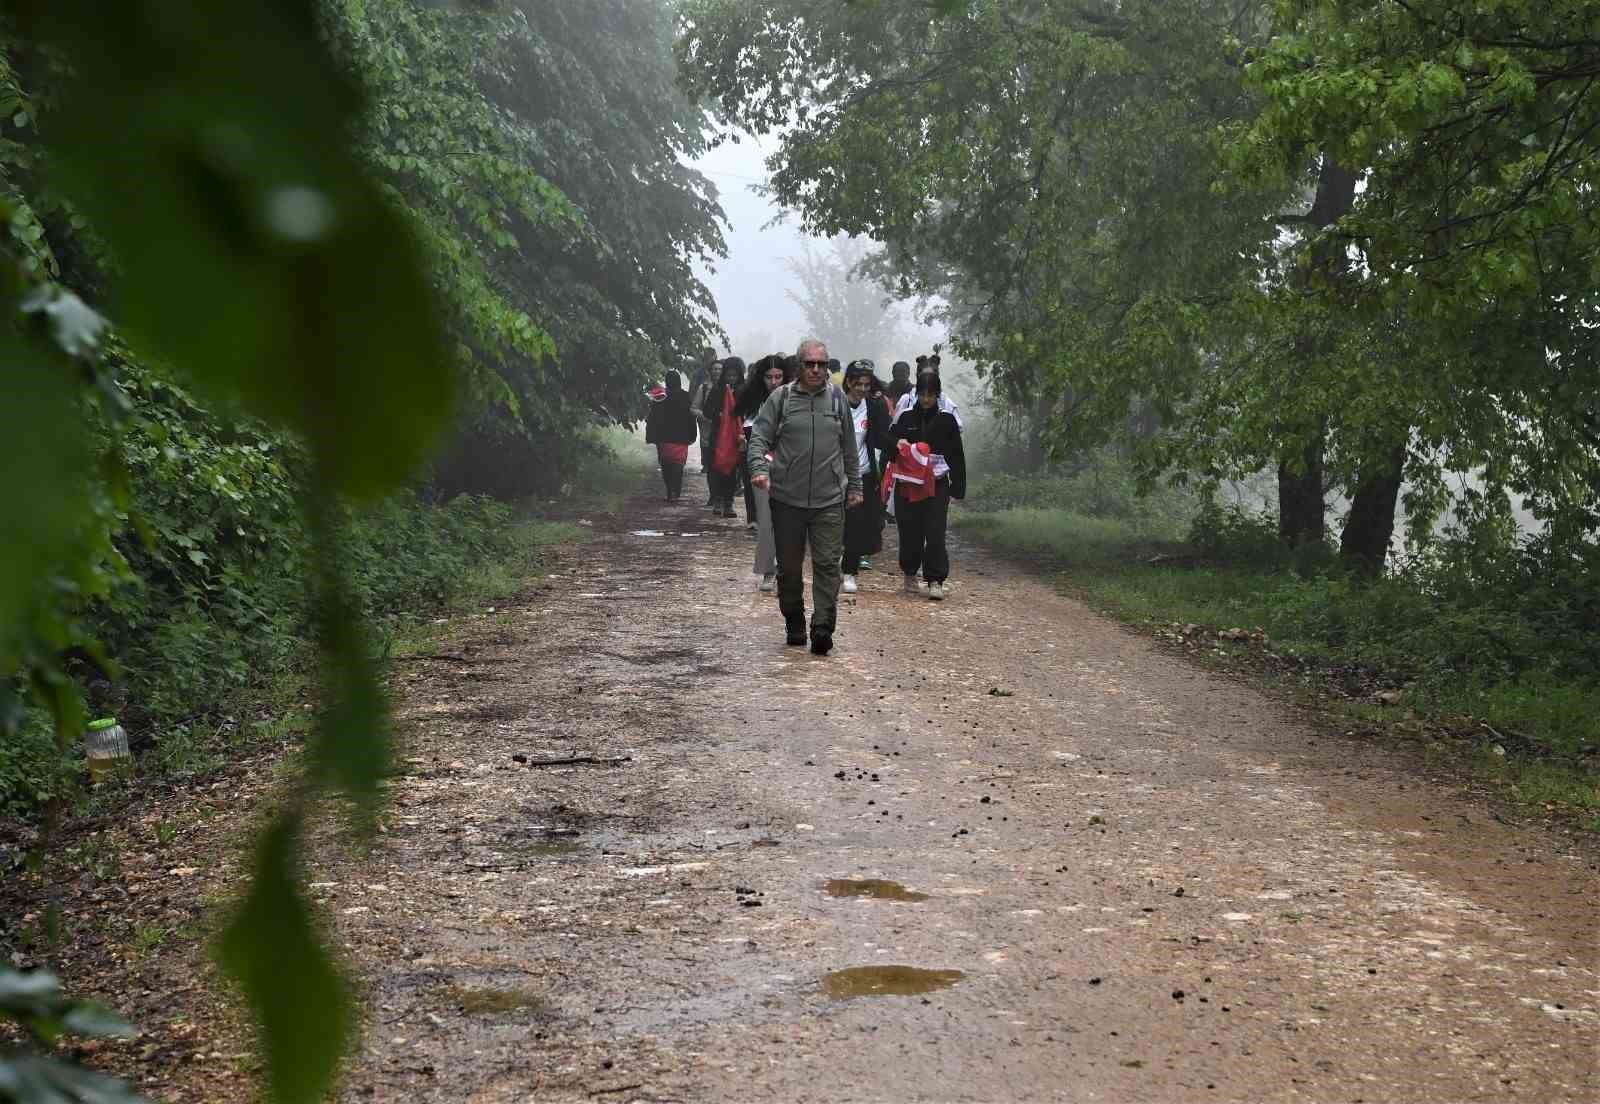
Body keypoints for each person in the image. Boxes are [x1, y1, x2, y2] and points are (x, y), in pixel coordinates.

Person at [747, 338, 862, 655]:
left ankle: (823, 627)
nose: (815, 369)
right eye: (809, 364)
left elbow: (850, 449)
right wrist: (759, 469)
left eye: (821, 364)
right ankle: (794, 620)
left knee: (827, 564)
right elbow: (759, 438)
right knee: (789, 568)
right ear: (799, 366)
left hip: (829, 500)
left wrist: (855, 487)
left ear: (827, 367)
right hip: (787, 500)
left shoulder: (838, 399)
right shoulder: (781, 399)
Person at [889, 373, 966, 601]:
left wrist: (958, 486)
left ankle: (935, 579)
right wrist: (896, 444)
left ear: (937, 395)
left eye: (930, 395)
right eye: (922, 394)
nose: (925, 400)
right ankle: (910, 573)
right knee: (910, 530)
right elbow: (889, 447)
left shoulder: (946, 420)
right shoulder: (905, 419)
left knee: (935, 531)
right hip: (908, 485)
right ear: (916, 395)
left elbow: (957, 455)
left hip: (937, 484)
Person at [737, 356, 787, 591]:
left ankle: (786, 569)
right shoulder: (754, 404)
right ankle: (768, 570)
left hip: (793, 467)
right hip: (763, 466)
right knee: (766, 521)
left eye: (778, 377)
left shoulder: (796, 399)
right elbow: (752, 436)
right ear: (761, 378)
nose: (774, 382)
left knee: (790, 522)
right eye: (769, 377)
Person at [840, 360, 891, 594]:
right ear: (848, 382)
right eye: (858, 384)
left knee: (856, 525)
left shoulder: (873, 406)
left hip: (862, 475)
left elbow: (882, 437)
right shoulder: (833, 404)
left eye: (866, 385)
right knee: (830, 525)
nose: (862, 389)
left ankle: (850, 571)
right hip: (831, 475)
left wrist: (898, 445)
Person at [643, 371, 697, 501]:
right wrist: (692, 434)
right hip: (681, 437)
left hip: (664, 437)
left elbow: (652, 418)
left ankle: (670, 491)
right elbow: (691, 417)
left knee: (666, 466)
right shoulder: (686, 396)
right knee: (678, 466)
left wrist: (651, 436)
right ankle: (675, 491)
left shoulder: (660, 396)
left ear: (667, 381)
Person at [705, 356, 746, 518]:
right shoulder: (717, 390)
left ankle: (729, 503)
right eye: (728, 375)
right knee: (716, 468)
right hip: (718, 436)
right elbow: (707, 410)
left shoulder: (744, 391)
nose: (731, 379)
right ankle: (717, 499)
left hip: (736, 436)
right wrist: (719, 414)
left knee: (732, 470)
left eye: (734, 376)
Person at [689, 346, 719, 505]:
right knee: (706, 440)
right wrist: (697, 410)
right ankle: (706, 462)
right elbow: (693, 391)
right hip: (704, 414)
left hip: (720, 420)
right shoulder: (700, 376)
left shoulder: (725, 377)